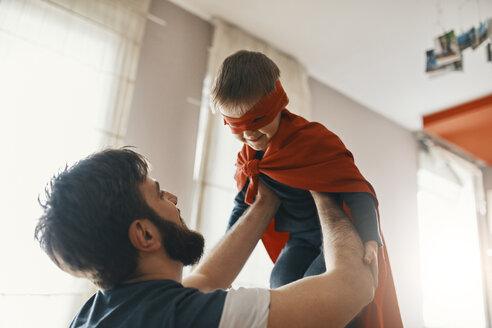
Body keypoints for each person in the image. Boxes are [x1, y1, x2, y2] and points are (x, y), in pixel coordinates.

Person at [35, 148, 375, 327]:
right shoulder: (184, 319)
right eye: (159, 195)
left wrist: (264, 203)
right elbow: (353, 288)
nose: (173, 199)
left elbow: (207, 279)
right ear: (144, 233)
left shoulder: (95, 314)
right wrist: (324, 192)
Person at [212, 50, 402, 327]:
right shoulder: (250, 159)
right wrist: (224, 266)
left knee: (324, 293)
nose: (249, 134)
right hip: (299, 238)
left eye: (257, 120)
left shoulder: (312, 140)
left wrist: (371, 236)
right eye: (235, 126)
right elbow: (243, 206)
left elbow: (357, 189)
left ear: (279, 103)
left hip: (339, 233)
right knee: (280, 284)